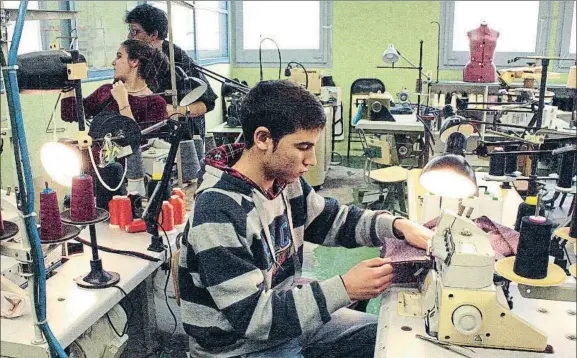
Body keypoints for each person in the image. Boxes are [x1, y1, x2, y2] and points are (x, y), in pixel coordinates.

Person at [178, 80, 433, 357]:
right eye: (302, 147)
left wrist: (397, 226)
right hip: (239, 348)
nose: (311, 159)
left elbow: (334, 220)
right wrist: (345, 288)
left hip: (283, 327)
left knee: (388, 337)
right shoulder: (218, 211)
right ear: (263, 139)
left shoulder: (284, 182)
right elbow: (254, 319)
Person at [61, 39, 169, 195]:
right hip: (94, 175)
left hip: (129, 183)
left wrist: (123, 102)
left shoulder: (155, 103)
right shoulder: (106, 91)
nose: (113, 62)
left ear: (134, 61)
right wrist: (69, 82)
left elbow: (137, 144)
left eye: (119, 56)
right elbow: (69, 113)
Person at [125, 3, 218, 139]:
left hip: (179, 137)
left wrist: (173, 111)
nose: (129, 36)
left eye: (135, 31)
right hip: (144, 136)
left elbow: (207, 103)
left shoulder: (178, 59)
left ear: (153, 35)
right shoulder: (130, 59)